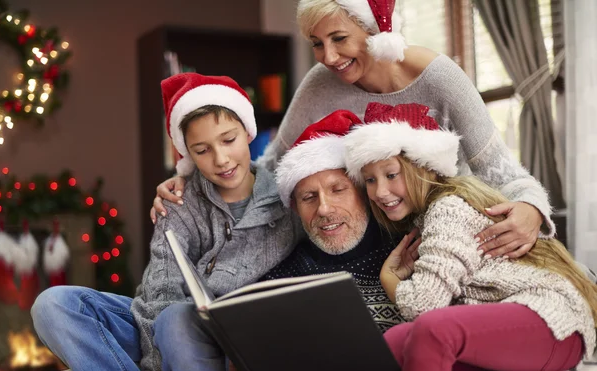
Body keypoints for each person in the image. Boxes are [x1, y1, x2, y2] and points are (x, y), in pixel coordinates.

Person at [150, 0, 553, 262]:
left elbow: (505, 175)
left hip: (449, 237)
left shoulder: (440, 78)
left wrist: (532, 209)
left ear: (374, 27)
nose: (329, 57)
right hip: (367, 245)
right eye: (316, 43)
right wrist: (187, 181)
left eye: (339, 39)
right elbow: (269, 169)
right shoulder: (318, 84)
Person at [31, 73, 300, 371]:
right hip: (164, 329)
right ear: (187, 154)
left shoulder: (289, 199)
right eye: (202, 150)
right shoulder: (179, 202)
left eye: (229, 140)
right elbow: (160, 296)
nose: (221, 159)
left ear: (247, 132)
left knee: (178, 321)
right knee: (52, 304)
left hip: (230, 339)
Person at [339, 102, 597, 371]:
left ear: (424, 167)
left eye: (391, 175)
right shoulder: (424, 220)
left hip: (552, 324)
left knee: (432, 330)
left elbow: (425, 306)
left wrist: (390, 280)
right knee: (394, 341)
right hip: (521, 330)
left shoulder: (447, 209)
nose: (380, 192)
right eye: (370, 180)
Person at [230, 109, 415, 371]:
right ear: (295, 208)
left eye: (337, 189)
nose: (324, 209)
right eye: (309, 197)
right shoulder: (279, 278)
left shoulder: (409, 249)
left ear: (363, 192)